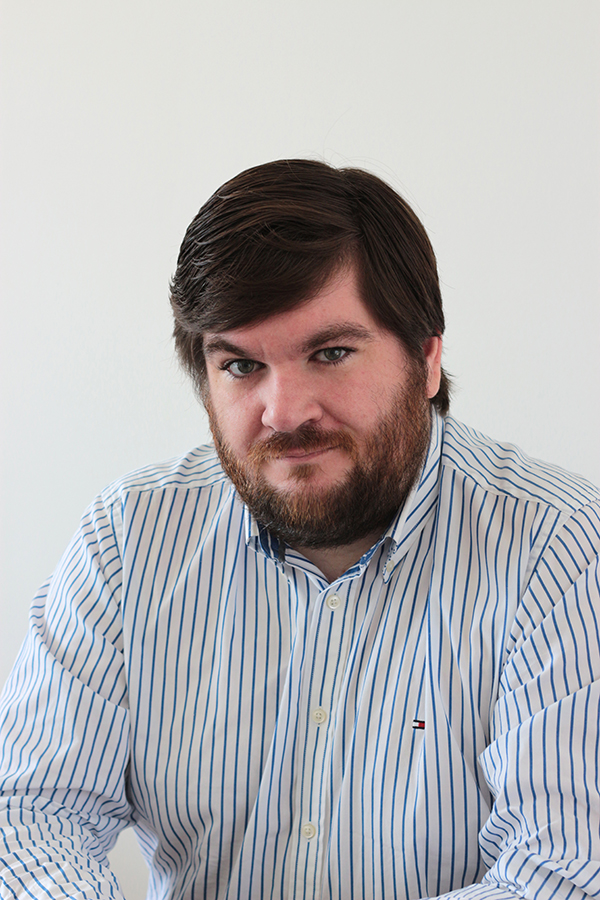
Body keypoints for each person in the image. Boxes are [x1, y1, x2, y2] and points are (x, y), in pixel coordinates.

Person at [0, 159, 598, 900]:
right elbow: (29, 816)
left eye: (331, 353)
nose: (284, 412)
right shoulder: (129, 539)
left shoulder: (563, 550)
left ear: (427, 357)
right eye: (241, 365)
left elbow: (564, 875)